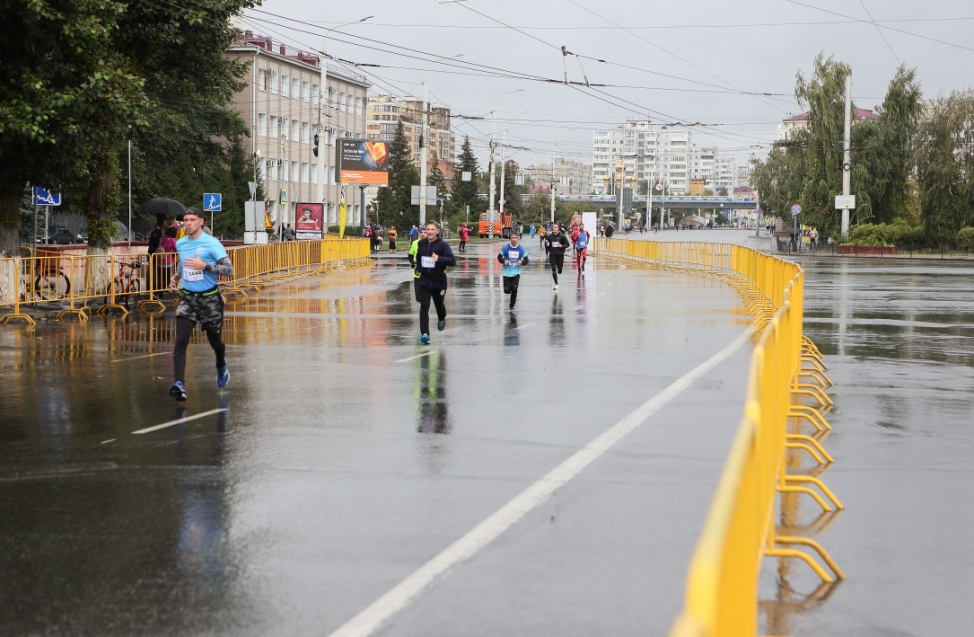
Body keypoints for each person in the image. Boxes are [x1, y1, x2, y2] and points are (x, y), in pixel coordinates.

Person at [168, 208, 234, 401]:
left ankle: (221, 366)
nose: (187, 223)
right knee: (181, 341)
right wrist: (177, 275)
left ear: (201, 222)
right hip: (188, 298)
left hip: (210, 299)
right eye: (185, 220)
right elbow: (184, 263)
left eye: (192, 220)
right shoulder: (180, 243)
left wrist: (204, 266)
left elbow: (229, 270)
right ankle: (179, 384)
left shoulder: (212, 244)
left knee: (216, 343)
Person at [414, 221, 456, 344]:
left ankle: (442, 317)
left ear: (438, 231)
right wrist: (418, 269)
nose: (430, 232)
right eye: (428, 229)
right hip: (425, 280)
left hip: (439, 280)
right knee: (424, 306)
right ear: (425, 231)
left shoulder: (443, 245)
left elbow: (452, 261)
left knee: (439, 306)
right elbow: (419, 258)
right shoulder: (421, 243)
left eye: (433, 229)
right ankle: (425, 334)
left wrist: (440, 259)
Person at [497, 231, 528, 311]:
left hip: (516, 273)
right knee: (507, 291)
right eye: (512, 238)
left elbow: (526, 260)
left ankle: (512, 305)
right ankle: (507, 289)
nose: (514, 239)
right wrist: (503, 261)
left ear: (518, 238)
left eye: (515, 238)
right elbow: (499, 257)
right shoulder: (505, 248)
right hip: (506, 273)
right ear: (510, 239)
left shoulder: (521, 249)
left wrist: (522, 262)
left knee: (514, 289)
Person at [545, 223, 569, 290]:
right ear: (552, 228)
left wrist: (562, 246)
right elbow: (547, 246)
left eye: (556, 227)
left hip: (560, 255)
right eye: (554, 227)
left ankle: (559, 269)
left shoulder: (562, 236)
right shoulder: (549, 236)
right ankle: (556, 284)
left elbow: (567, 244)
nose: (555, 228)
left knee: (560, 270)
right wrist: (547, 245)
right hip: (552, 254)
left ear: (558, 229)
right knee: (553, 269)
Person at [408, 225, 426, 302]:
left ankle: (424, 308)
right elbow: (410, 255)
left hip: (428, 273)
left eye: (425, 232)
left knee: (425, 296)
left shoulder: (432, 243)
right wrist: (412, 262)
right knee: (418, 297)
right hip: (417, 272)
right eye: (421, 232)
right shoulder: (415, 243)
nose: (423, 234)